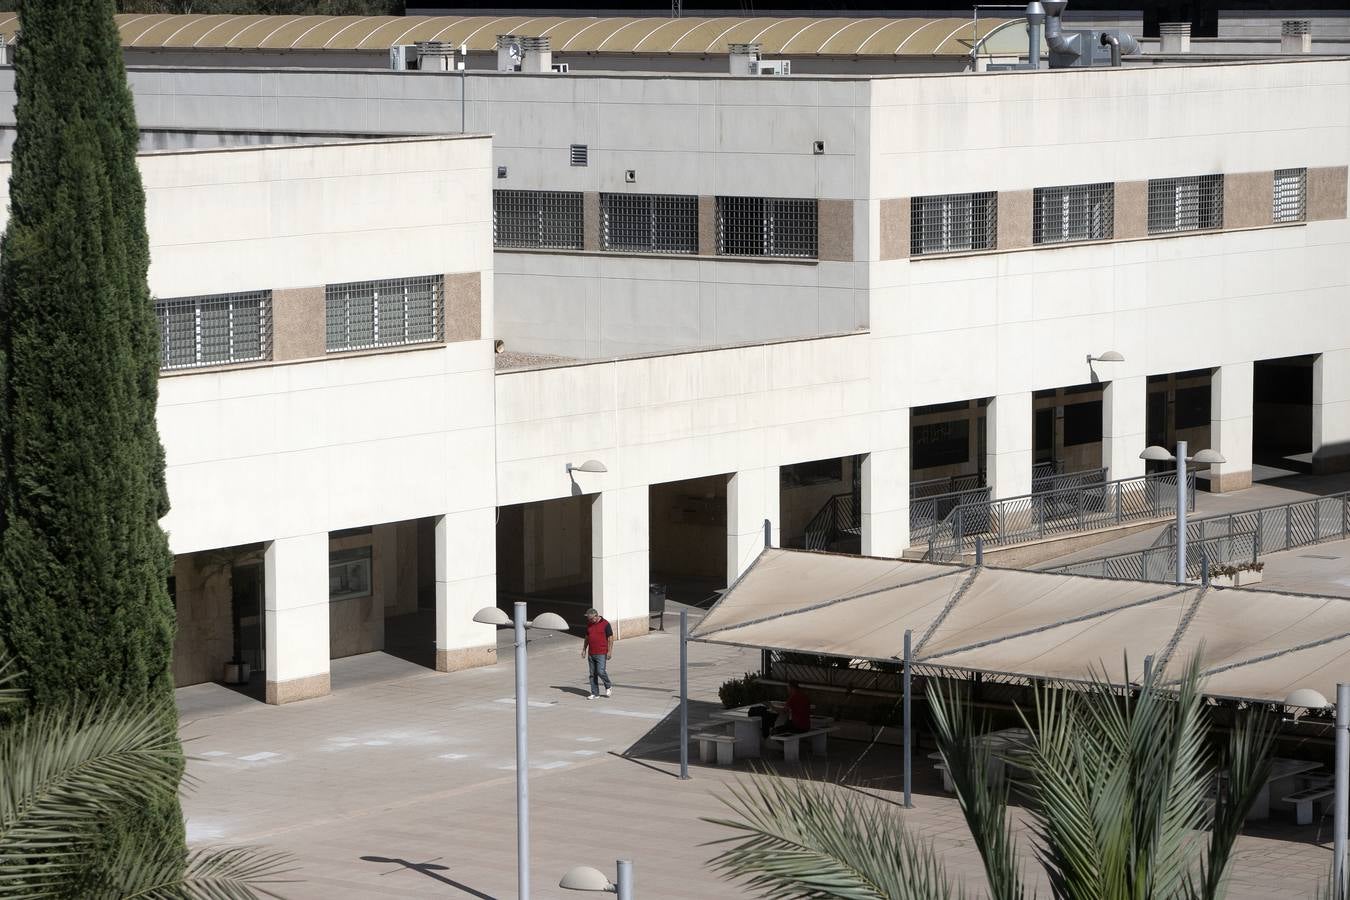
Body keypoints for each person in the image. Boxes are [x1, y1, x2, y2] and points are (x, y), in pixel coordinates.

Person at [581, 607, 613, 700]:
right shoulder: (589, 624)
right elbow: (587, 638)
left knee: (600, 671)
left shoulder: (605, 624)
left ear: (596, 616)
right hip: (591, 653)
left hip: (601, 653)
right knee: (592, 674)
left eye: (590, 618)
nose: (589, 620)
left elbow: (610, 638)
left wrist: (610, 651)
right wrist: (584, 649)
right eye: (588, 619)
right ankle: (595, 693)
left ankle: (608, 686)